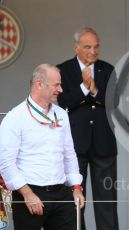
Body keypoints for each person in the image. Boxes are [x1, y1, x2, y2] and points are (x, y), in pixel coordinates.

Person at [0, 64, 85, 230]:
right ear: (39, 84)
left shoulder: (61, 114)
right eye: (56, 85)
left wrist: (76, 188)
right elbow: (5, 162)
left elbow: (69, 154)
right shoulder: (14, 117)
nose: (61, 89)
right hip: (29, 194)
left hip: (62, 194)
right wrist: (27, 194)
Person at [57, 27, 118, 230]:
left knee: (107, 203)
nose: (93, 51)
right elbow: (63, 102)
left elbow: (113, 102)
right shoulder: (63, 70)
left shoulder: (107, 69)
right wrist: (83, 88)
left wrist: (94, 90)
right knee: (75, 203)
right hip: (75, 146)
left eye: (96, 46)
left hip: (104, 145)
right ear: (76, 47)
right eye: (87, 46)